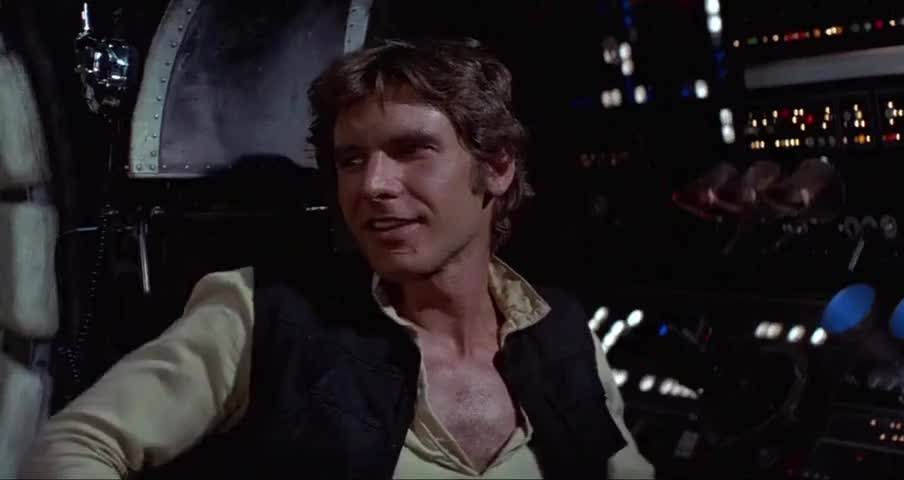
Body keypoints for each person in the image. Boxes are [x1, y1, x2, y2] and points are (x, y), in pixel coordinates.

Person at [20, 38, 655, 479]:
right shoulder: (262, 318)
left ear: (496, 167)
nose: (373, 184)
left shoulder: (562, 333)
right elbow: (73, 447)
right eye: (352, 159)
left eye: (411, 150)